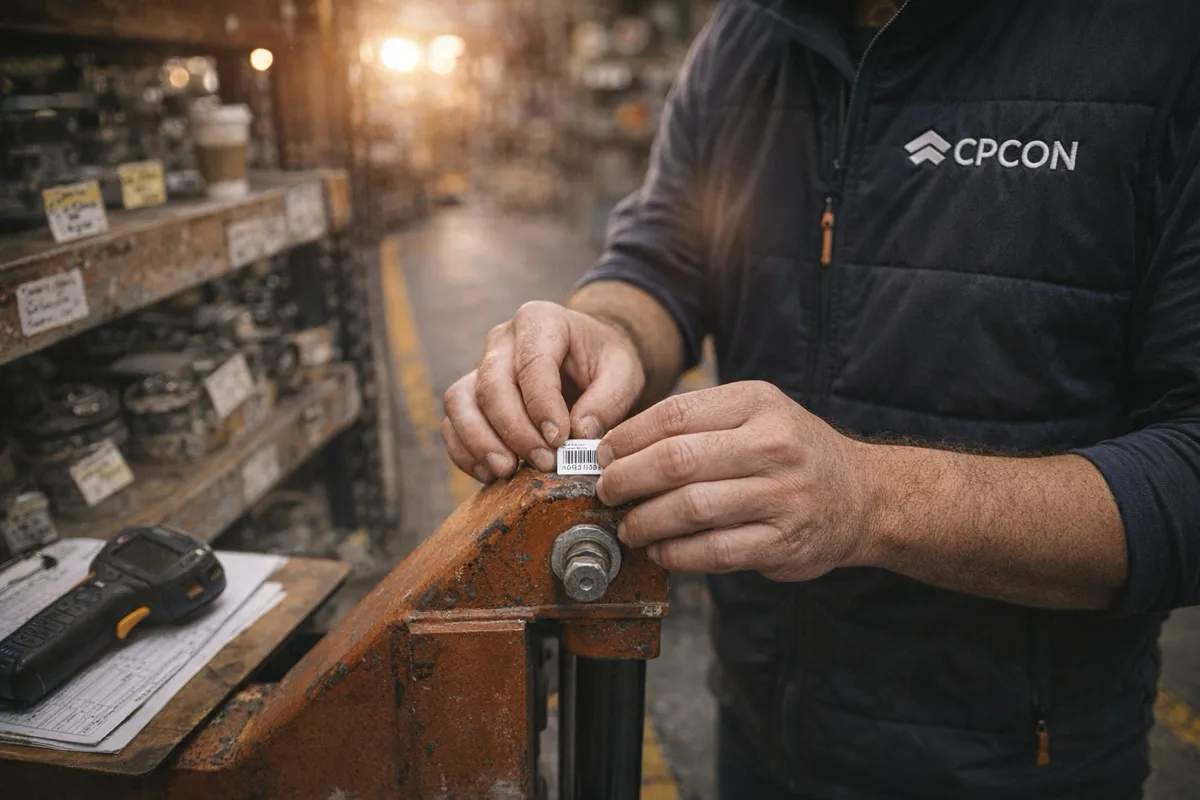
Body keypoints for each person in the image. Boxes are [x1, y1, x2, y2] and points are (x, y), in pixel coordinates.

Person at [440, 1, 1200, 796]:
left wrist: (871, 499)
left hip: (1012, 765)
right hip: (763, 726)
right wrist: (607, 328)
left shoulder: (1159, 42)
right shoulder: (750, 34)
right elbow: (666, 253)